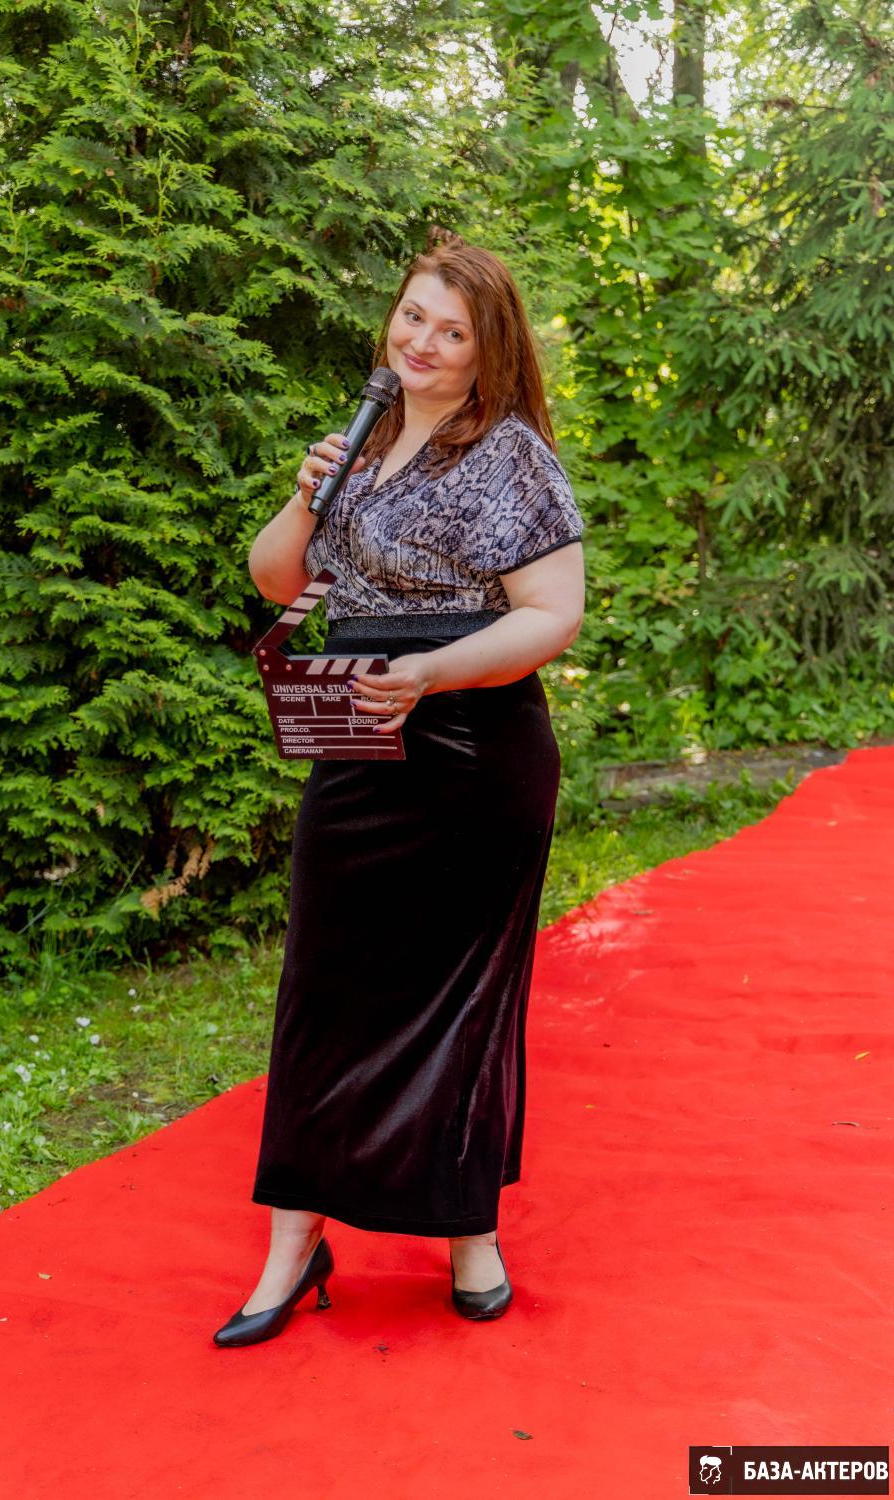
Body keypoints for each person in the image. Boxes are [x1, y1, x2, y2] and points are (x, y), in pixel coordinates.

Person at [213, 226, 586, 1348]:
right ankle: (294, 1242)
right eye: (412, 315)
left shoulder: (513, 455)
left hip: (474, 743)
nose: (420, 341)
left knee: (463, 998)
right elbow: (278, 581)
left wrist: (430, 673)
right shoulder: (360, 437)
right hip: (357, 735)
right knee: (324, 991)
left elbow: (551, 616)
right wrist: (305, 496)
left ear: (487, 350)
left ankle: (469, 1230)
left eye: (450, 330)